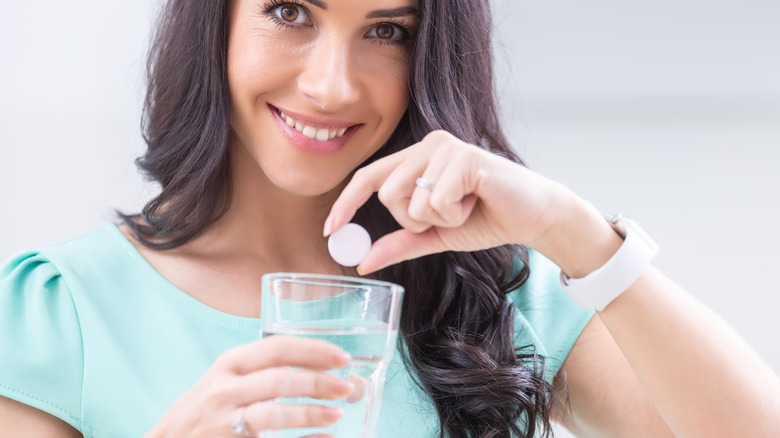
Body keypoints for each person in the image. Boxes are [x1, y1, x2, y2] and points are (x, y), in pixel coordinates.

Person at [1, 0, 778, 436]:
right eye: (288, 11)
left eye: (386, 31)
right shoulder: (56, 314)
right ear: (216, 22)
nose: (332, 84)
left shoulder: (500, 292)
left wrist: (572, 229)